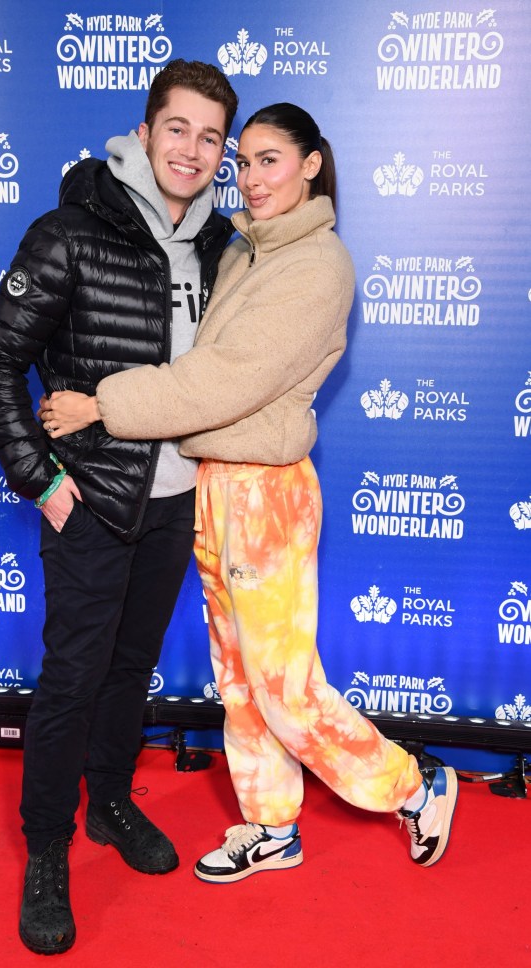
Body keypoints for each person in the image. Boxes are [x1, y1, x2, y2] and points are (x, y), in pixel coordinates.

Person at [38, 102, 459, 886]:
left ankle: (413, 783)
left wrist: (102, 403)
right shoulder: (246, 254)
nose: (251, 177)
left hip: (268, 495)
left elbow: (225, 378)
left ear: (310, 166)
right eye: (245, 161)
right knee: (237, 680)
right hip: (215, 484)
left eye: (270, 160)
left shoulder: (317, 264)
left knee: (285, 689)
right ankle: (271, 824)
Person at [0, 60, 238, 954]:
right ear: (146, 128)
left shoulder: (222, 248)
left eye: (210, 137)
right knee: (73, 680)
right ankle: (47, 848)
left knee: (132, 673)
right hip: (90, 501)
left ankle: (112, 801)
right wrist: (40, 481)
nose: (191, 150)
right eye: (178, 128)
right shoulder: (69, 231)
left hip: (176, 501)